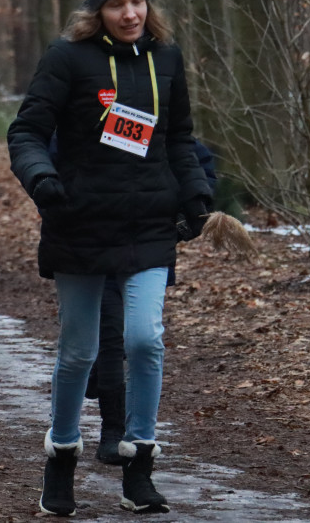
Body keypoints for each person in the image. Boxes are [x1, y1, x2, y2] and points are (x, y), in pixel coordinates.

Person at [8, 0, 212, 516]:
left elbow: (179, 138)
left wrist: (195, 194)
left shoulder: (166, 58)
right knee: (79, 351)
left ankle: (139, 461)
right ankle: (61, 458)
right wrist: (41, 178)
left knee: (147, 339)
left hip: (148, 223)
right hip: (80, 223)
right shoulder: (66, 58)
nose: (130, 14)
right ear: (97, 9)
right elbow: (25, 132)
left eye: (138, 1)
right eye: (118, 4)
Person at [86, 139, 218, 466]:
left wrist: (189, 216)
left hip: (148, 249)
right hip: (94, 246)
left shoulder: (160, 119)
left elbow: (198, 167)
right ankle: (113, 432)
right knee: (109, 335)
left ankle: (136, 430)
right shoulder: (87, 114)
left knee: (142, 339)